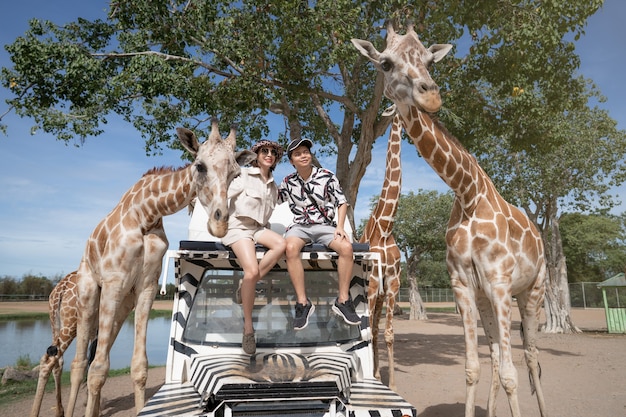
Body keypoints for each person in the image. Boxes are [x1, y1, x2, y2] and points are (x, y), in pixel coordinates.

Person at [278, 138, 360, 330]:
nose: (303, 156)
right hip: (301, 226)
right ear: (291, 161)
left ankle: (343, 300)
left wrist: (340, 227)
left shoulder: (326, 175)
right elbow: (272, 198)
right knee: (290, 248)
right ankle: (303, 303)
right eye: (298, 154)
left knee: (346, 248)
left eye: (305, 151)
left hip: (325, 226)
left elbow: (342, 202)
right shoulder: (288, 182)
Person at [222, 140, 286, 354]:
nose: (269, 155)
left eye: (273, 153)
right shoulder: (243, 175)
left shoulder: (273, 186)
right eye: (264, 151)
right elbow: (220, 195)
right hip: (238, 228)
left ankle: (245, 286)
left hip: (258, 228)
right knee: (250, 271)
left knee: (281, 244)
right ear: (257, 155)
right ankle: (248, 329)